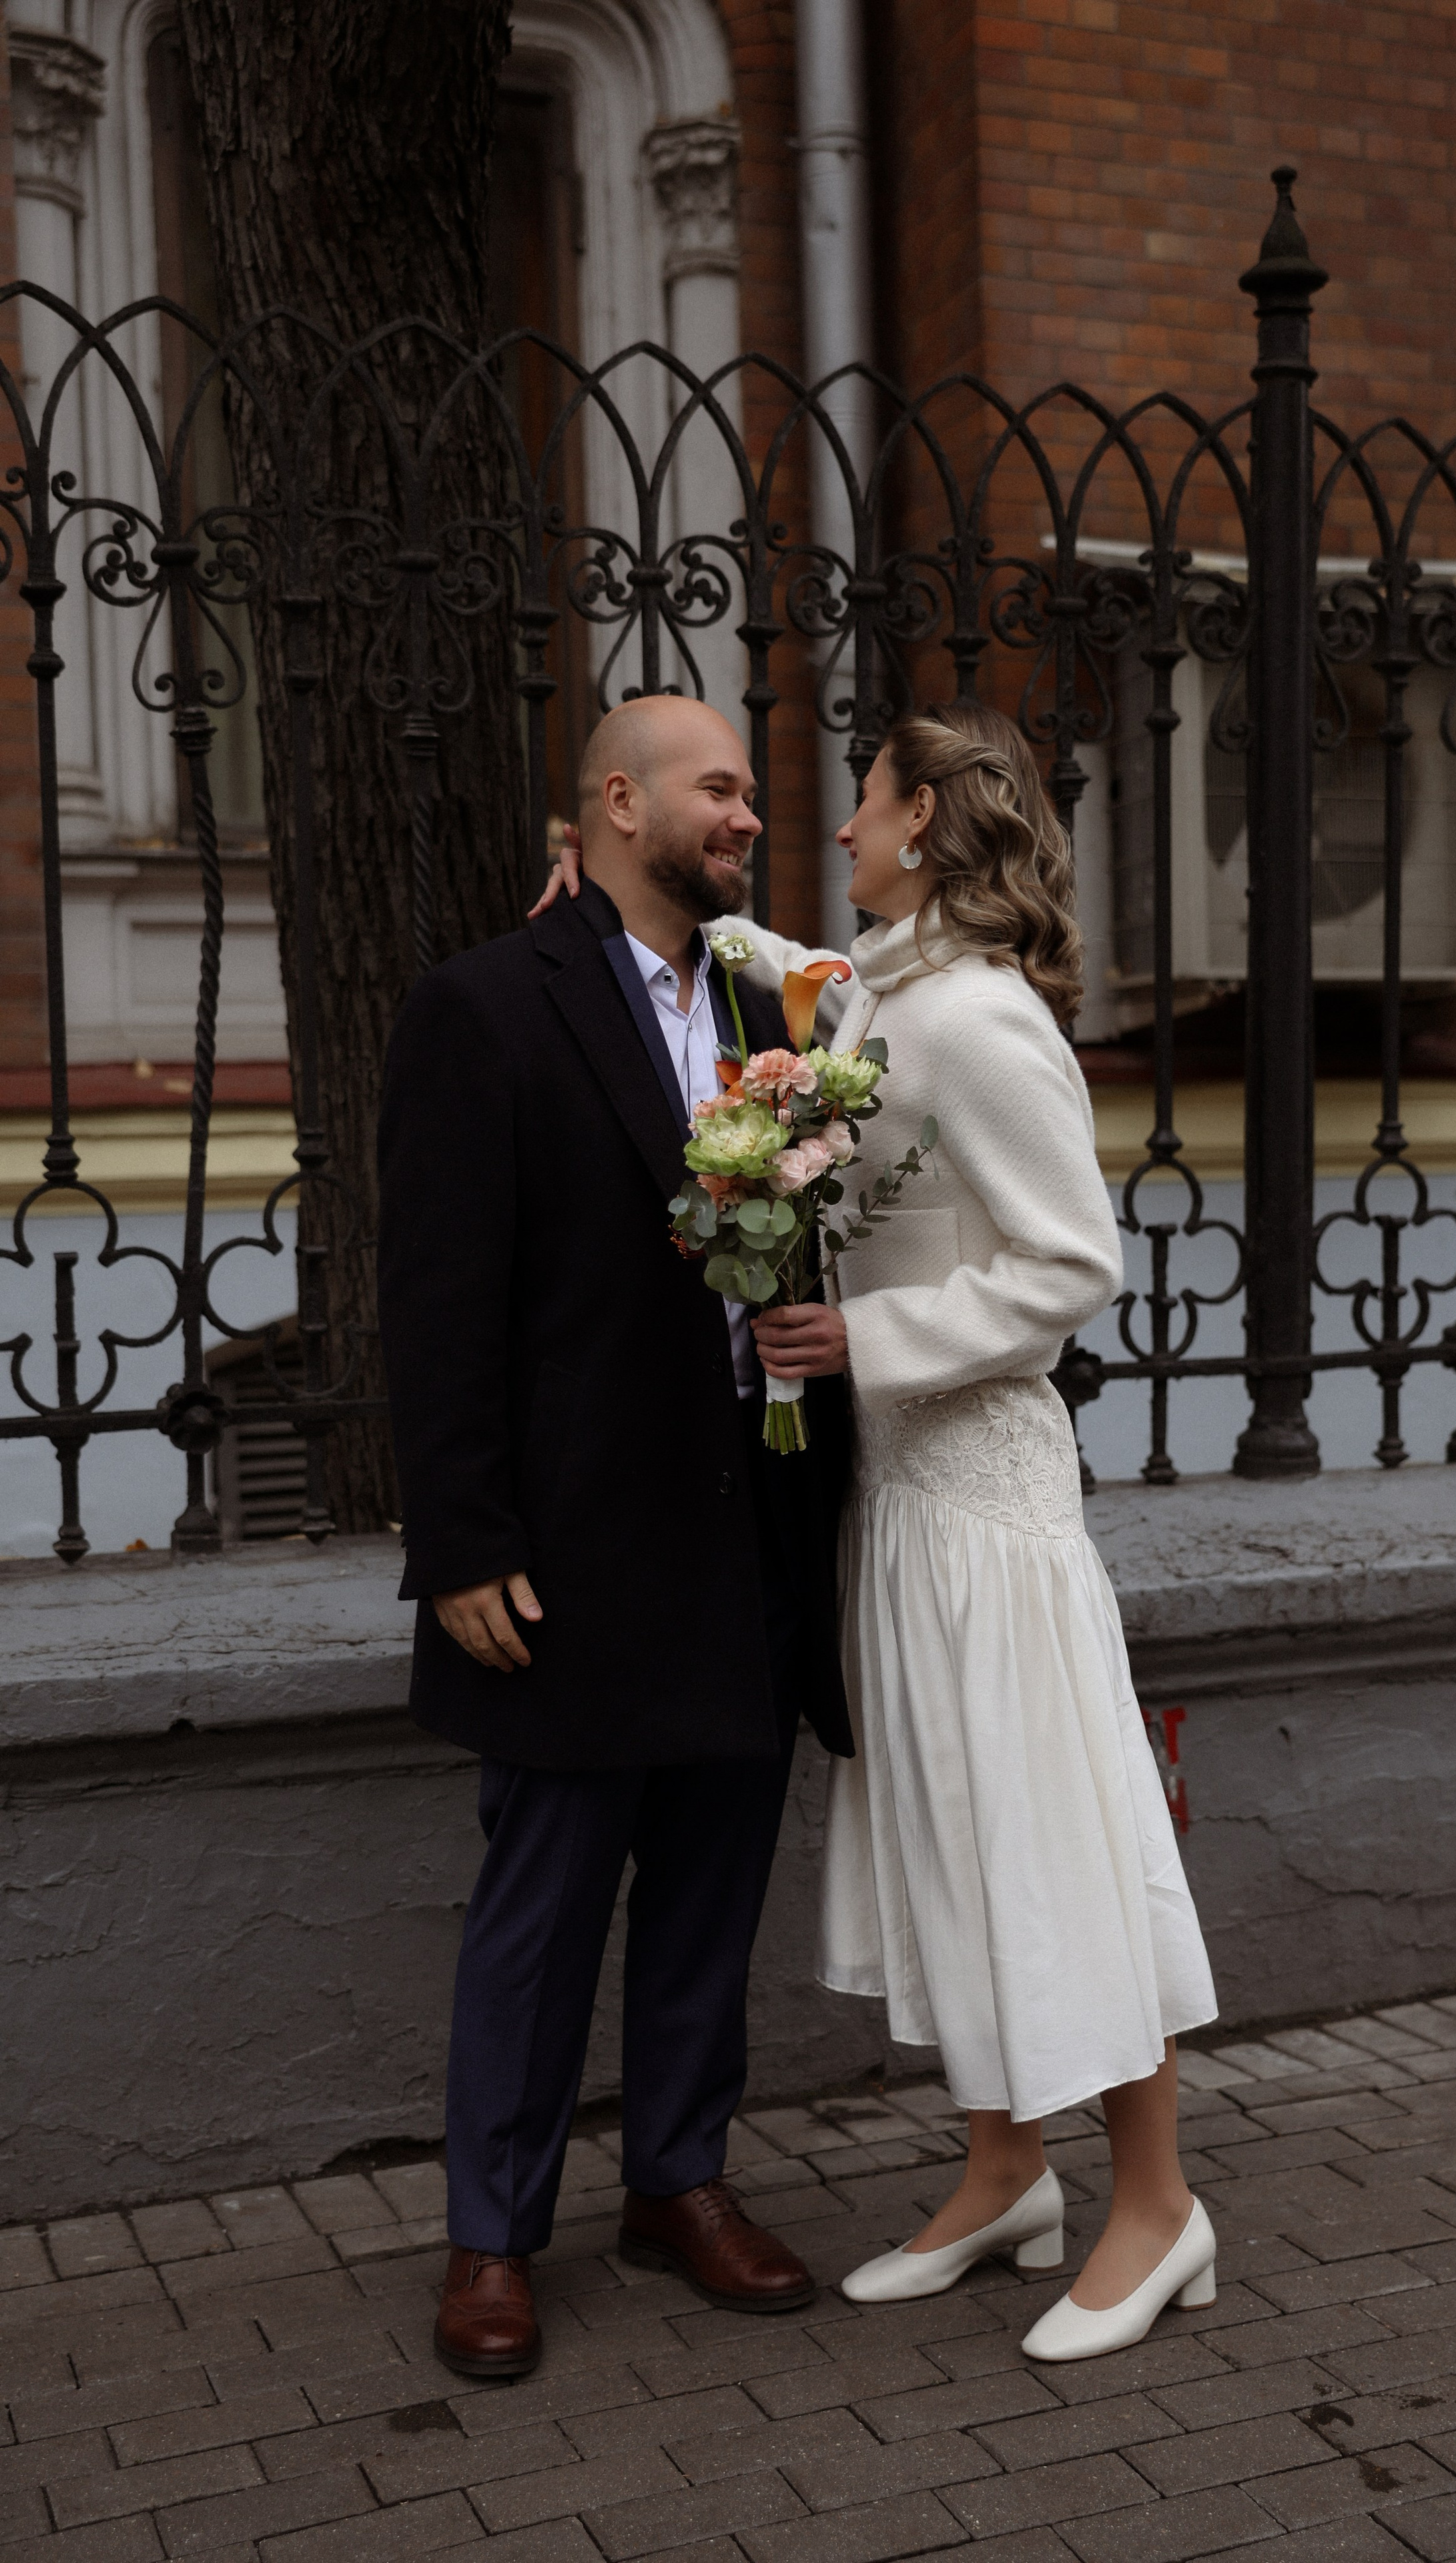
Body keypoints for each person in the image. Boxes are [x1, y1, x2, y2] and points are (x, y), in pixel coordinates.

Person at [536, 699, 1218, 2365]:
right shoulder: (882, 998)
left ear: (922, 823)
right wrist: (602, 870)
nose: (830, 829)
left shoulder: (979, 1022)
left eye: (858, 802)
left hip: (986, 1494)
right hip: (897, 1497)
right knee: (948, 1839)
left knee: (1046, 1833)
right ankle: (1003, 2175)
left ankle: (1156, 2206)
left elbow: (1072, 1267)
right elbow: (784, 956)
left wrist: (866, 1341)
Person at [376, 695, 853, 2383]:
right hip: (569, 1551)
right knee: (543, 1905)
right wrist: (457, 1540)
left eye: (746, 790)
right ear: (612, 799)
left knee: (712, 1893)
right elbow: (437, 1303)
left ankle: (679, 2181)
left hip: (746, 1530)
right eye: (714, 789)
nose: (743, 813)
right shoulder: (485, 1006)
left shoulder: (772, 1002)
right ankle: (491, 2237)